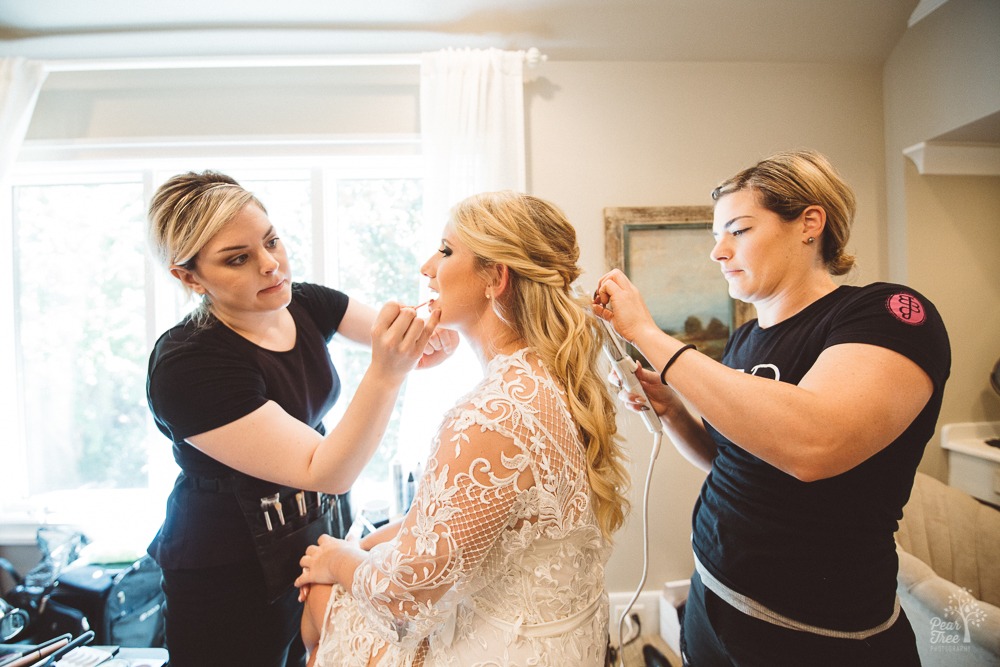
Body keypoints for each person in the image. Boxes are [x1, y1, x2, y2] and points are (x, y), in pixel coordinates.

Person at [593, 149, 951, 666]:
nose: (718, 252)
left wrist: (649, 335)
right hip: (712, 598)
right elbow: (729, 460)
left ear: (809, 223)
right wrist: (671, 410)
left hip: (817, 636)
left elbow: (815, 445)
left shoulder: (886, 314)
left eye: (737, 230)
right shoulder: (741, 341)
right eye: (717, 236)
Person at [293, 191, 631, 666]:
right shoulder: (555, 376)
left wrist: (334, 560)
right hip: (567, 644)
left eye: (447, 251)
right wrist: (363, 544)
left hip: (502, 653)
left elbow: (403, 596)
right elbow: (463, 517)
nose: (427, 266)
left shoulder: (492, 415)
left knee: (320, 600)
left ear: (496, 277)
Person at [145, 170, 457, 666]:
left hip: (310, 537)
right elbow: (327, 469)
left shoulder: (305, 302)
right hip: (227, 570)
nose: (271, 266)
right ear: (188, 276)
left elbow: (397, 337)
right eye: (238, 259)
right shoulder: (188, 365)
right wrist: (387, 372)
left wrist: (429, 339)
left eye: (271, 241)